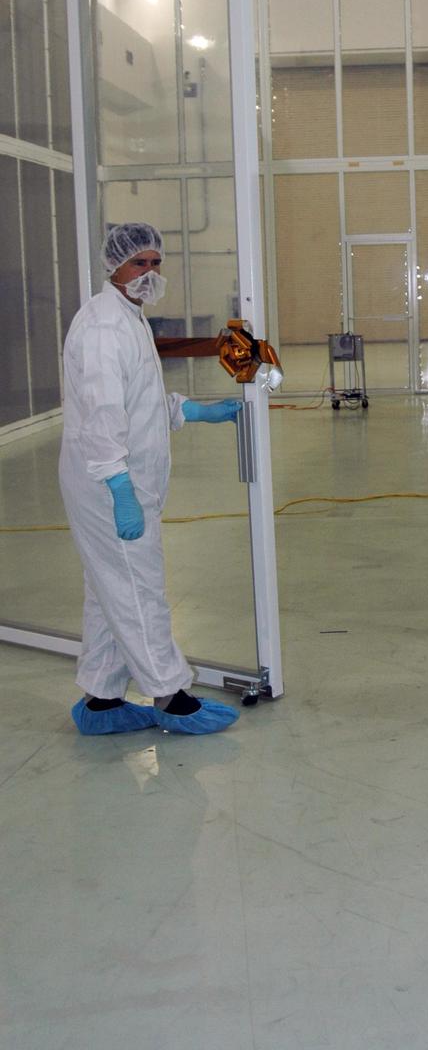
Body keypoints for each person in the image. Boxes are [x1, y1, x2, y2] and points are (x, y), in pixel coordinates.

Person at [60, 222, 243, 736]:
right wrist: (118, 488)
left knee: (108, 590)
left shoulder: (128, 318)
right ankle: (170, 695)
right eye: (139, 263)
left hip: (124, 478)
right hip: (108, 483)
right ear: (113, 265)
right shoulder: (101, 327)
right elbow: (102, 416)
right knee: (138, 588)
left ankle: (101, 700)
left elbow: (136, 403)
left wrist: (196, 412)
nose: (148, 273)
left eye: (155, 263)